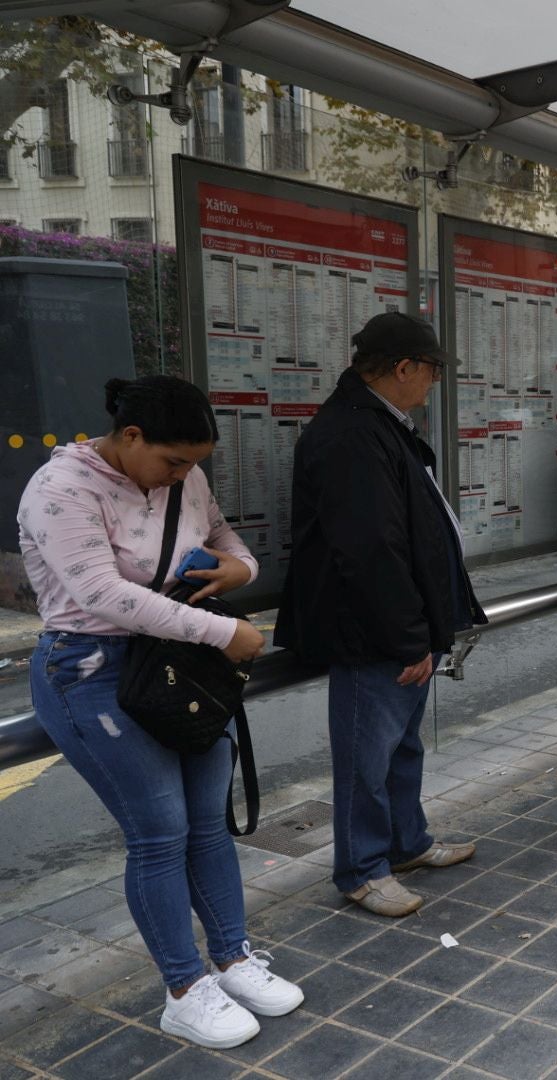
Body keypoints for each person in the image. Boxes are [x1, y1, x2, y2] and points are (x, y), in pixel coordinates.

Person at [21, 376, 301, 1049]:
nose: (184, 475)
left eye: (195, 464)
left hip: (178, 664)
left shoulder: (184, 479)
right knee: (159, 829)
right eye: (174, 461)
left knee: (207, 821)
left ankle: (232, 957)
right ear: (131, 436)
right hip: (90, 666)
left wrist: (239, 569)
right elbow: (101, 595)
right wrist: (223, 633)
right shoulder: (61, 490)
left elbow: (227, 540)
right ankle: (183, 987)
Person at [276, 312, 487, 919]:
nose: (435, 383)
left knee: (401, 748)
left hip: (401, 628)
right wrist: (408, 638)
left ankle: (405, 843)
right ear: (403, 368)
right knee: (366, 759)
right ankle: (362, 870)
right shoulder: (350, 434)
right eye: (432, 371)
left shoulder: (379, 425)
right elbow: (371, 549)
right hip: (370, 634)